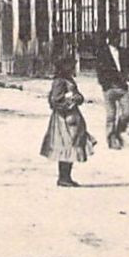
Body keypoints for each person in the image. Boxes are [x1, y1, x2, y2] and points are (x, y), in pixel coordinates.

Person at [41, 54, 95, 186]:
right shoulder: (59, 81)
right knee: (67, 145)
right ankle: (63, 178)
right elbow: (54, 100)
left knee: (73, 145)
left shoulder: (68, 79)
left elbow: (79, 96)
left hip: (72, 117)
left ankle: (67, 177)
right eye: (70, 66)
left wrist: (78, 98)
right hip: (63, 119)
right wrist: (68, 103)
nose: (72, 68)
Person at [95, 32, 129, 149]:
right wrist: (105, 84)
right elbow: (100, 70)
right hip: (109, 88)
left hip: (122, 87)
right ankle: (111, 139)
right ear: (110, 39)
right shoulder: (102, 53)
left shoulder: (124, 52)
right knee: (111, 115)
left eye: (119, 38)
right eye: (116, 38)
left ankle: (117, 132)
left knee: (127, 113)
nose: (118, 40)